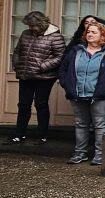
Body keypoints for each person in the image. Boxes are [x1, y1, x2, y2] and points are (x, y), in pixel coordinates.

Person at [58, 21, 105, 166]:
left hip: (101, 96)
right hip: (77, 94)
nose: (90, 34)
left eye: (94, 32)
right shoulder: (76, 50)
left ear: (102, 35)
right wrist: (66, 84)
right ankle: (80, 153)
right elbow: (63, 69)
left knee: (100, 124)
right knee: (81, 124)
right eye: (88, 32)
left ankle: (100, 155)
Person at [11, 11, 66, 144]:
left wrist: (42, 66)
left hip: (44, 77)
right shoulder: (25, 34)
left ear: (41, 24)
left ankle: (42, 135)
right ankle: (19, 134)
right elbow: (18, 51)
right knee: (23, 104)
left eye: (32, 25)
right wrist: (17, 64)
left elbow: (60, 56)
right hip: (26, 75)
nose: (30, 28)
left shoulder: (55, 36)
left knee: (40, 104)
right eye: (29, 25)